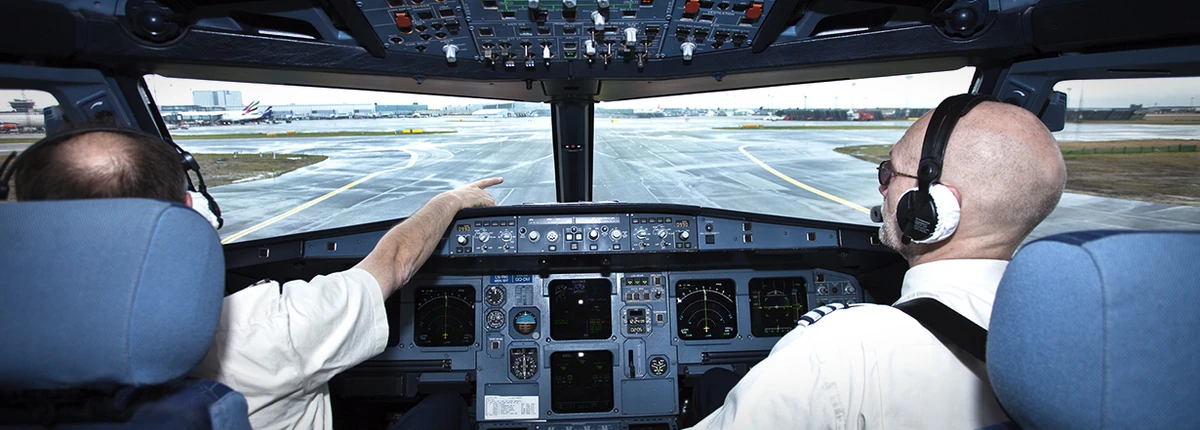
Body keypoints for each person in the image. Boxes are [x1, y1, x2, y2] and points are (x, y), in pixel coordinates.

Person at [6, 126, 500, 430]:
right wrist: (451, 200)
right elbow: (396, 262)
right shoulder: (269, 327)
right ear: (187, 210)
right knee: (446, 403)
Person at [686, 97, 1067, 429]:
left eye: (890, 172)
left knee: (713, 384)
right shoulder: (1073, 329)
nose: (882, 187)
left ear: (932, 206)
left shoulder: (842, 350)